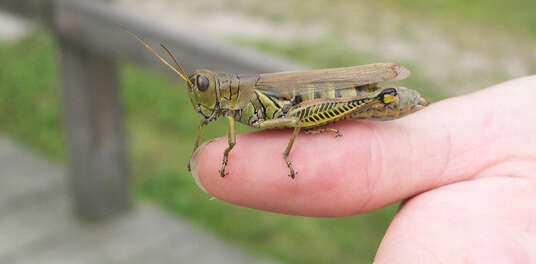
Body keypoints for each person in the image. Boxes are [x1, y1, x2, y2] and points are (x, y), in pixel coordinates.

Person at [190, 76, 536, 262]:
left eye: (202, 86)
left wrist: (289, 151)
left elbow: (292, 118)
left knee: (296, 118)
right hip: (304, 105)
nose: (199, 93)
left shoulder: (246, 100)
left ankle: (383, 98)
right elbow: (214, 121)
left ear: (223, 89)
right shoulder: (232, 109)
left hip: (336, 99)